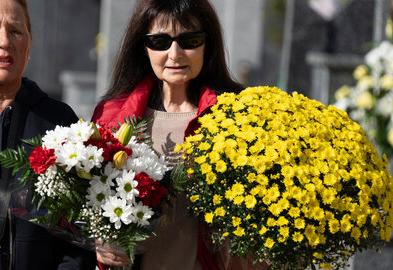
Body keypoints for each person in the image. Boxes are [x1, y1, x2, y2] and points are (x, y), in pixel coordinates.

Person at [91, 0, 269, 269]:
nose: (174, 54)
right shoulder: (111, 116)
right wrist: (100, 243)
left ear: (207, 45)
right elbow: (83, 207)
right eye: (160, 41)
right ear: (143, 46)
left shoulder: (236, 118)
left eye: (190, 40)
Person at [0, 0, 95, 269]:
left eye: (15, 31)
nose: (4, 41)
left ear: (29, 42)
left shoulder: (60, 122)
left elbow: (80, 234)